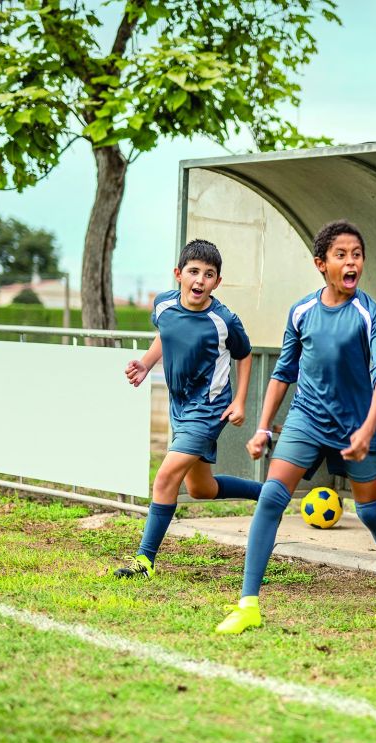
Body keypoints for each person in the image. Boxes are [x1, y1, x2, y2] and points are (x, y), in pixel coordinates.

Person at [215, 220, 376, 634]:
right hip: (306, 417)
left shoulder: (370, 314)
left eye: (356, 254)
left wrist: (367, 428)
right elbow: (284, 372)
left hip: (357, 424)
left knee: (371, 511)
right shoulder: (302, 310)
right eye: (341, 255)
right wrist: (264, 427)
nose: (351, 261)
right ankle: (248, 603)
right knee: (271, 498)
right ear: (321, 263)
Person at [114, 239, 262, 579]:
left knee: (166, 477)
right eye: (193, 272)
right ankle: (268, 493)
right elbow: (166, 335)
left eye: (209, 275)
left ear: (217, 282)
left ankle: (144, 561)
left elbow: (244, 354)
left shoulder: (224, 320)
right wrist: (146, 364)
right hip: (179, 405)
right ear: (179, 274)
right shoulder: (164, 304)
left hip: (208, 409)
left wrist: (239, 401)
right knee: (201, 489)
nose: (200, 280)